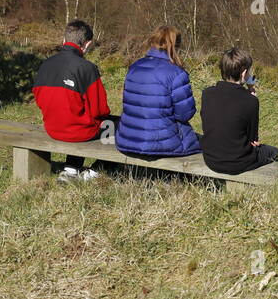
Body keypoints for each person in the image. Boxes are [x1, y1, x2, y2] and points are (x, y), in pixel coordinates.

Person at [33, 20, 113, 182]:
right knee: (112, 125)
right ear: (87, 44)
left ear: (64, 40)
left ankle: (71, 169)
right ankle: (96, 171)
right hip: (79, 132)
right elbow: (100, 110)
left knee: (76, 119)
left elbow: (38, 98)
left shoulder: (45, 64)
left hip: (52, 127)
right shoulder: (87, 68)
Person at [115, 26, 201, 158]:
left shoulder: (134, 67)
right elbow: (184, 114)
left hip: (127, 139)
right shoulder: (176, 73)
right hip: (161, 143)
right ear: (176, 45)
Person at [200, 46, 278, 175]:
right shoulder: (250, 101)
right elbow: (253, 140)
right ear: (244, 73)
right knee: (275, 152)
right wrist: (252, 94)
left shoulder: (207, 93)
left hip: (211, 160)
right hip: (238, 162)